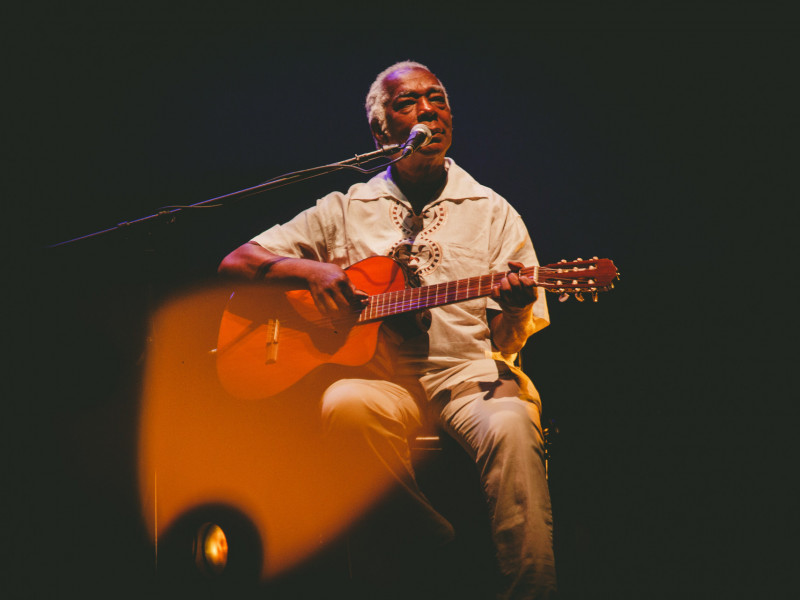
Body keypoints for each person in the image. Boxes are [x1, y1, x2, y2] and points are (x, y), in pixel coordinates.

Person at [218, 60, 557, 599]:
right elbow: (238, 261)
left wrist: (516, 307)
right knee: (344, 405)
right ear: (381, 132)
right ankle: (425, 534)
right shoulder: (347, 208)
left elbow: (506, 340)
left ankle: (532, 589)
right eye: (408, 103)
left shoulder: (492, 210)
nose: (429, 111)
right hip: (381, 379)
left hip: (467, 374)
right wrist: (310, 271)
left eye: (438, 99)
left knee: (514, 424)